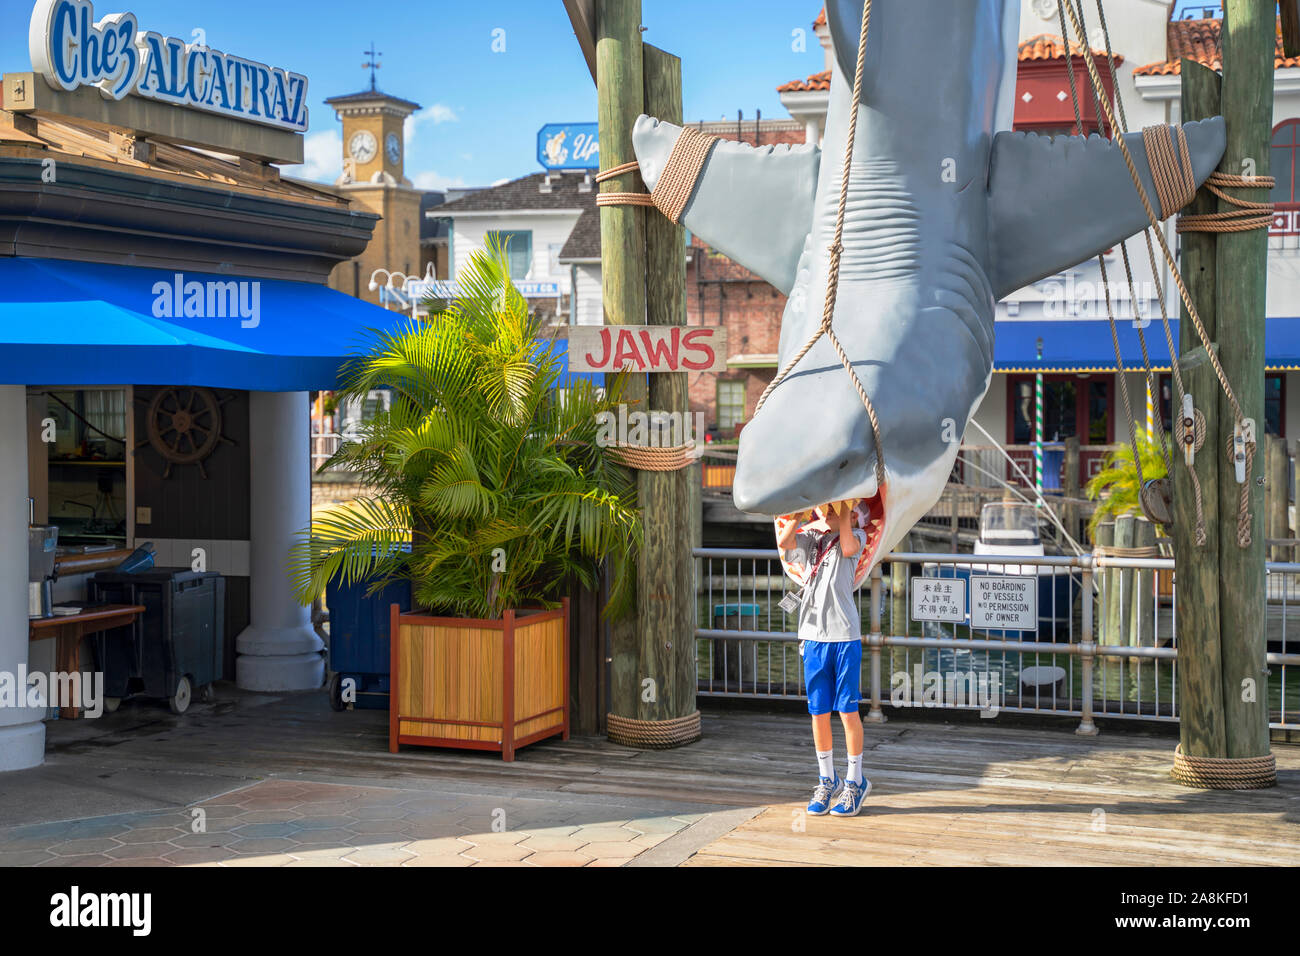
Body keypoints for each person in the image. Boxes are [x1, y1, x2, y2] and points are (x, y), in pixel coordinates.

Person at [776, 502, 871, 817]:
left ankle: (855, 782)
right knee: (818, 712)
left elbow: (846, 546)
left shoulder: (856, 536)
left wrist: (844, 511)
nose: (829, 510)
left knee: (847, 710)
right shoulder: (810, 540)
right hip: (813, 636)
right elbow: (785, 542)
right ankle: (826, 779)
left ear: (856, 517)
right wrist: (801, 513)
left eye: (845, 509)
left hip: (844, 636)